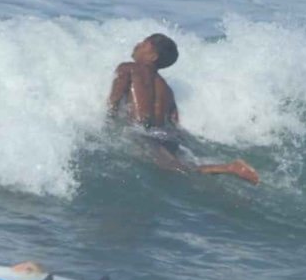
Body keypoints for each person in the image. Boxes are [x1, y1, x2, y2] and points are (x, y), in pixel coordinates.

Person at [107, 33, 259, 183]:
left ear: (153, 56)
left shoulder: (128, 68)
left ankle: (230, 168)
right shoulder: (167, 89)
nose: (138, 44)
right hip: (166, 135)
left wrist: (109, 121)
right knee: (184, 165)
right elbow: (174, 121)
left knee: (175, 168)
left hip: (145, 132)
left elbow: (114, 100)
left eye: (144, 44)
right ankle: (226, 169)